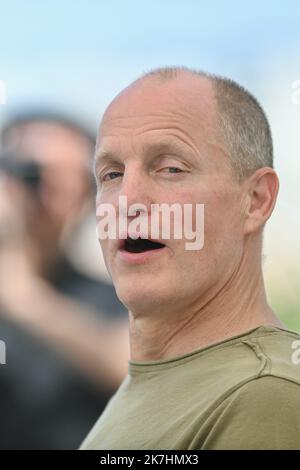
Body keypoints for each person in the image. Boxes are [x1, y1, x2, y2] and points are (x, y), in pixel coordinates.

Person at [80, 66, 300, 450]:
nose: (127, 201)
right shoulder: (155, 377)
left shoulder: (265, 394)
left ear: (256, 200)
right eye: (111, 174)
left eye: (170, 169)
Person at [0, 112, 129, 449]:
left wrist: (26, 299)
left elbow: (142, 371)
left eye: (62, 181)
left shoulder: (116, 298)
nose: (40, 195)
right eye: (30, 174)